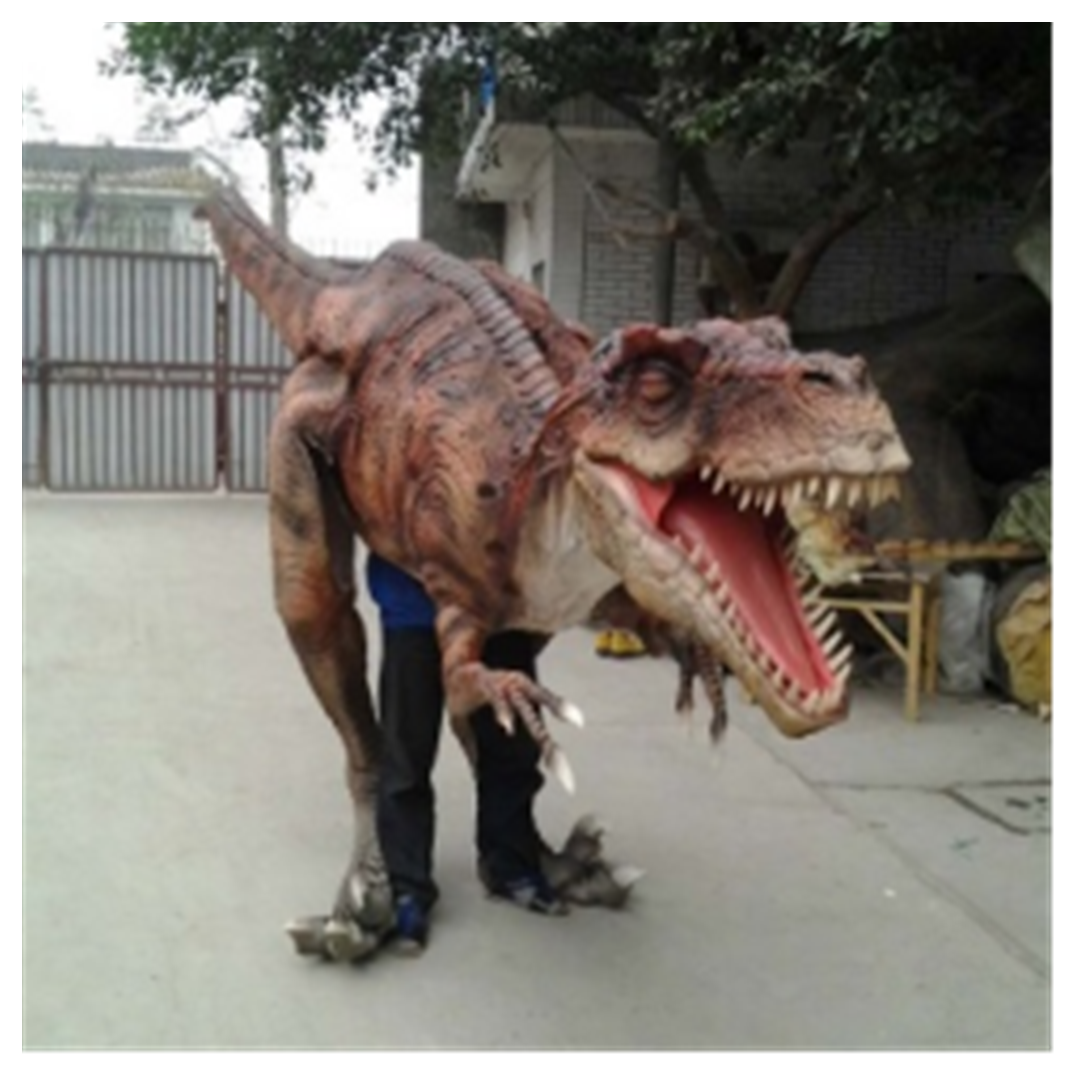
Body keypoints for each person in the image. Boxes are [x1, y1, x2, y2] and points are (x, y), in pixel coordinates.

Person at [366, 552, 565, 954]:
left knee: (512, 746)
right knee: (406, 752)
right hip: (413, 609)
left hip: (500, 609)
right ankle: (408, 886)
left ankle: (509, 864)